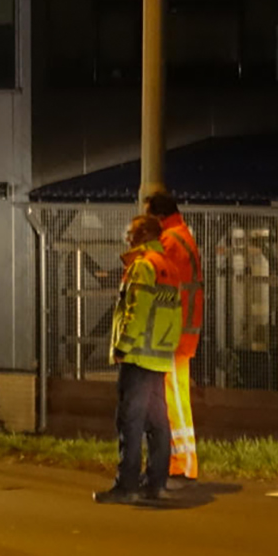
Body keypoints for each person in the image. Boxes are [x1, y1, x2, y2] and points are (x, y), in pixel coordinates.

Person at [97, 215, 183, 505]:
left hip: (137, 356)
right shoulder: (168, 266)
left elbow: (137, 311)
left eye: (131, 232)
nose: (126, 236)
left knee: (130, 422)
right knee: (158, 423)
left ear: (144, 234)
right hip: (159, 356)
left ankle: (127, 486)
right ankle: (156, 483)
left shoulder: (143, 266)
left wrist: (123, 346)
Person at [147, 191, 203, 484]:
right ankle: (180, 461)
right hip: (182, 329)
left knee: (175, 398)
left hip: (174, 331)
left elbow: (160, 282)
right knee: (175, 396)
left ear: (158, 217)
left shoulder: (171, 241)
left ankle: (184, 462)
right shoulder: (182, 236)